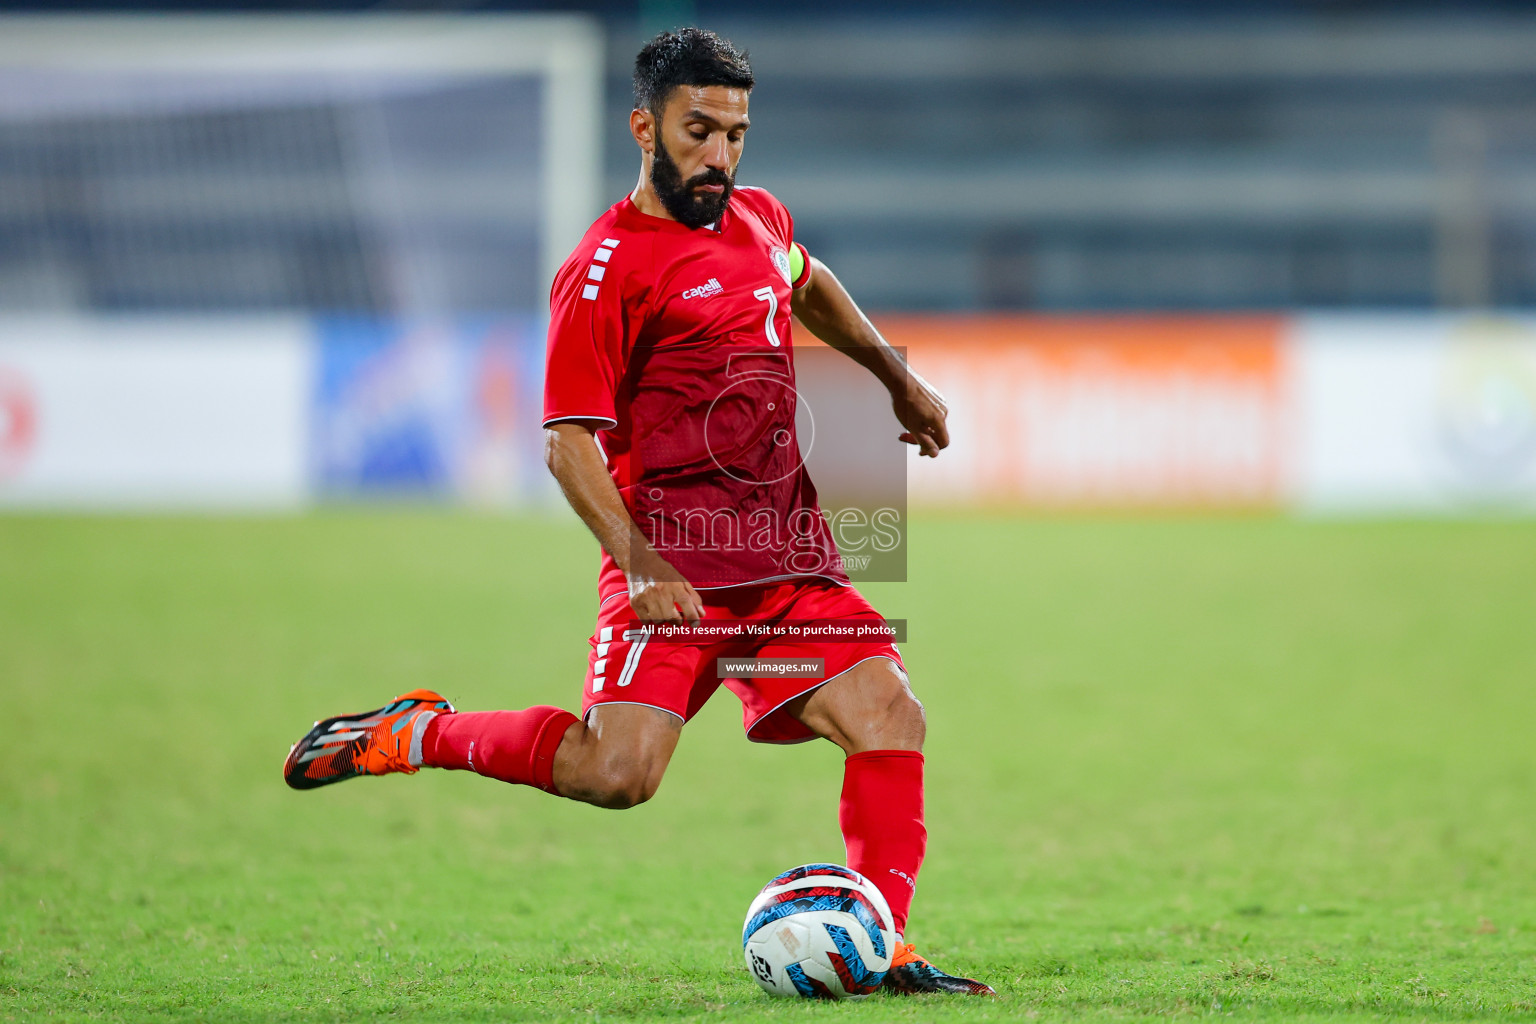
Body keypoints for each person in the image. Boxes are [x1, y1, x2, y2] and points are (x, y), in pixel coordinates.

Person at [284, 27, 992, 997]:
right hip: (671, 574)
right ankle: (420, 733)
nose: (719, 154)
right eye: (698, 130)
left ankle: (881, 939)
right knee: (615, 773)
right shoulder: (604, 270)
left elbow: (808, 281)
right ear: (643, 126)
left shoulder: (757, 221)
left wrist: (890, 374)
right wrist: (644, 562)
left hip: (782, 569)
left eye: (735, 133)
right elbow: (564, 440)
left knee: (889, 715)